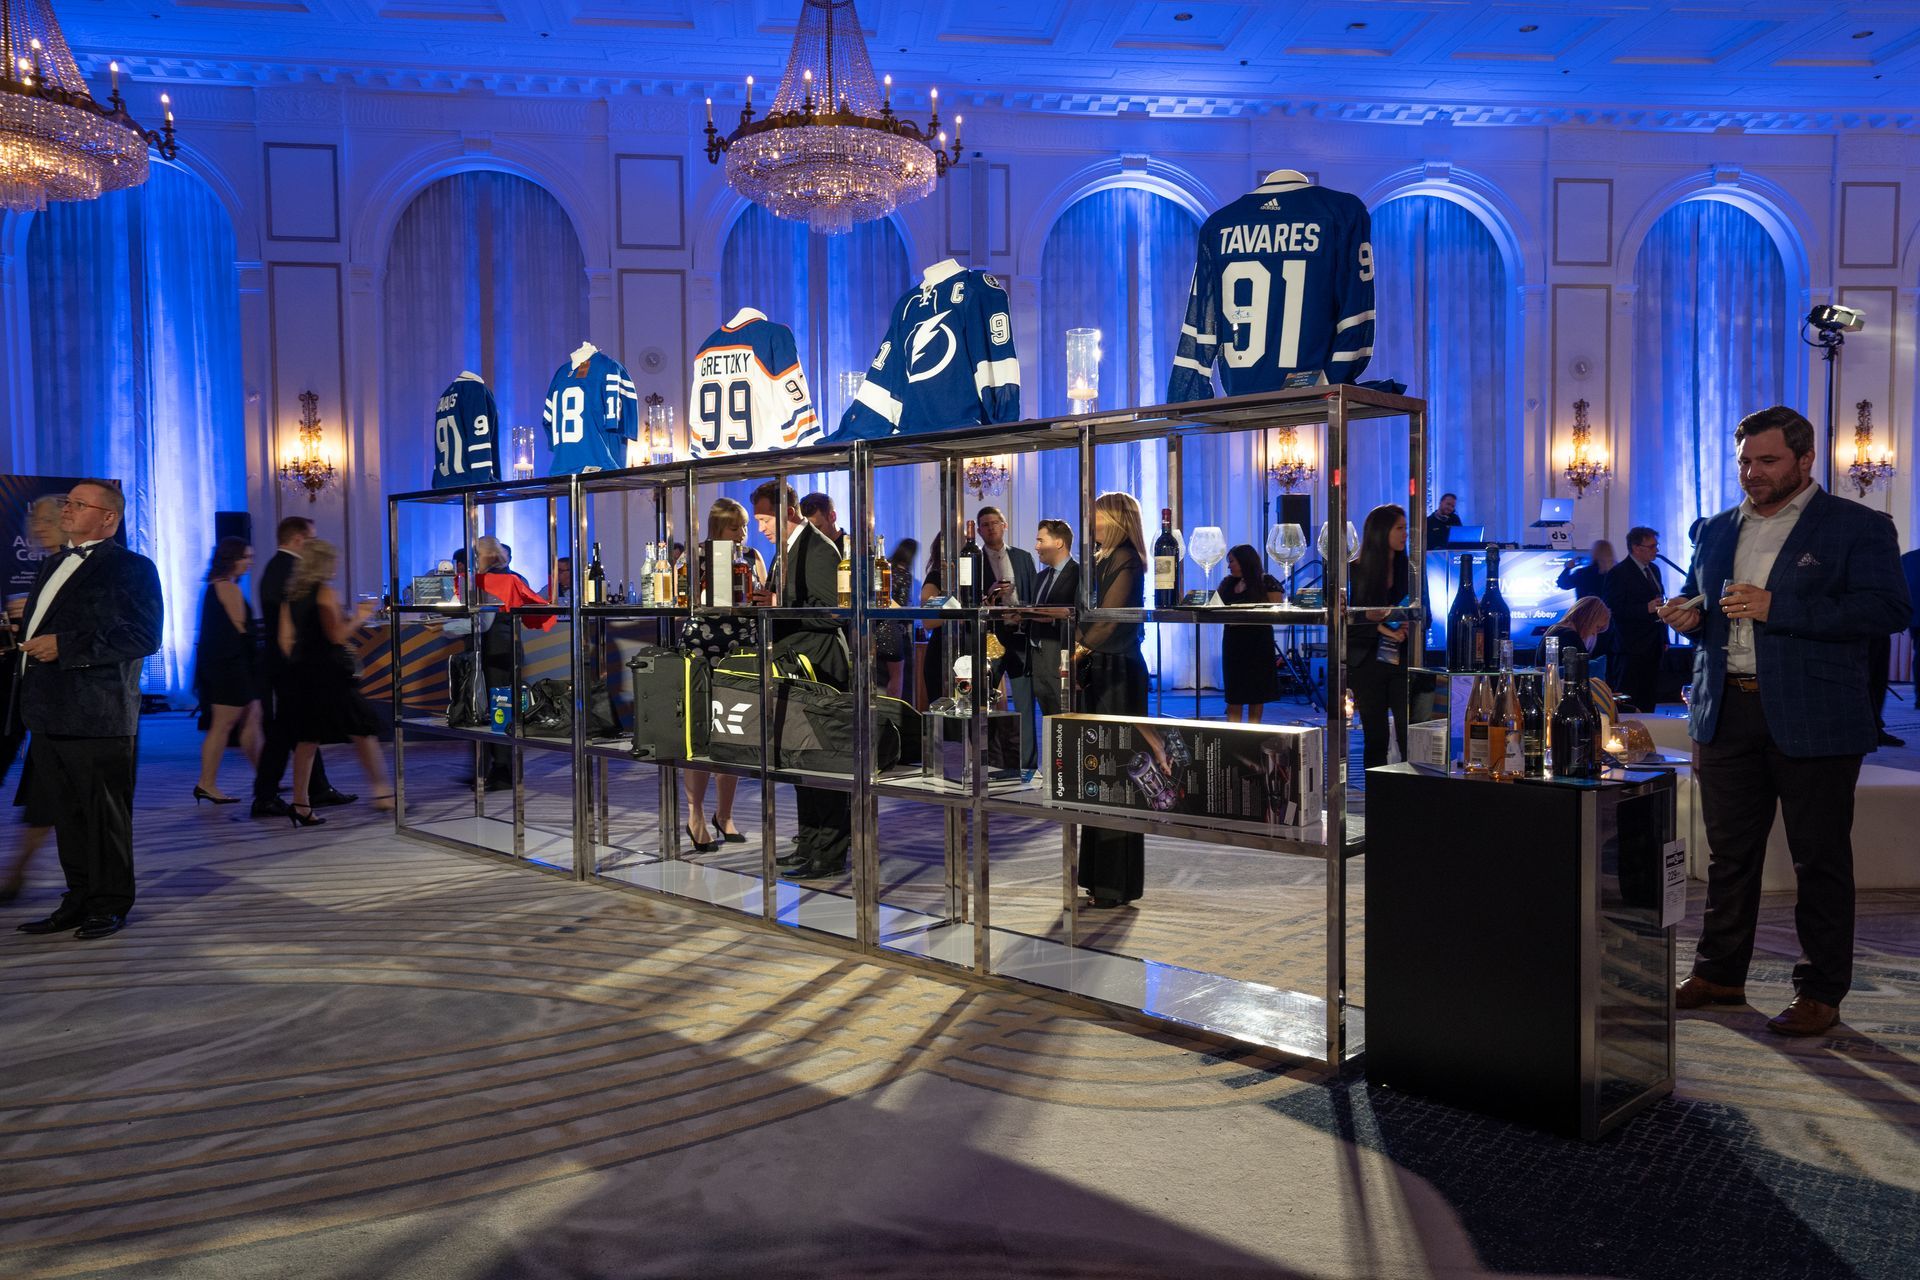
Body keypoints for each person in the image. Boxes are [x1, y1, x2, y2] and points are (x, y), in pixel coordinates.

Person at [1660, 405, 1911, 1037]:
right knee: (1729, 857)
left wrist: (1780, 605)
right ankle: (1719, 974)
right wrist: (1689, 616)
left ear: (1805, 459)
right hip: (1728, 710)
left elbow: (1887, 610)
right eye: (1744, 461)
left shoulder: (1858, 526)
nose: (1752, 473)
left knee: (1818, 858)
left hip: (1817, 714)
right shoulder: (1714, 529)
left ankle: (1821, 991)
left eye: (1766, 461)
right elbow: (1703, 601)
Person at [13, 481, 163, 941]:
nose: (67, 510)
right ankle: (77, 898)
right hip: (48, 710)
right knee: (68, 817)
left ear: (108, 518)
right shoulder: (55, 562)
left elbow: (144, 636)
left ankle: (110, 903)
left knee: (104, 817)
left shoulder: (133, 568)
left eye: (78, 504)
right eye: (67, 503)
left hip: (97, 713)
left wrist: (64, 645)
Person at [753, 480, 853, 880]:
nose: (761, 527)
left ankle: (828, 854)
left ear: (788, 511)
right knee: (800, 761)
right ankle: (809, 844)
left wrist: (780, 605)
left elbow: (833, 612)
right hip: (797, 664)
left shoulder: (818, 548)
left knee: (823, 763)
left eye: (764, 518)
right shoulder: (786, 550)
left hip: (822, 665)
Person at [277, 539, 393, 826]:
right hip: (330, 675)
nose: (336, 566)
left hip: (302, 673)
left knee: (307, 740)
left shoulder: (290, 595)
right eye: (333, 561)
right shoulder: (325, 593)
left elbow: (285, 639)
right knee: (362, 730)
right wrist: (361, 617)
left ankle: (301, 804)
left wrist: (302, 662)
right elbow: (337, 636)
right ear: (324, 564)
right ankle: (382, 793)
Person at [1075, 493, 1149, 909]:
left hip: (1120, 674)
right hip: (1101, 671)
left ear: (1116, 519)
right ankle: (1096, 876)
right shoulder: (1102, 557)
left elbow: (1110, 618)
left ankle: (1116, 882)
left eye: (1098, 516)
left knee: (1118, 773)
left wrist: (1079, 649)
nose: (1092, 522)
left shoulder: (1128, 559)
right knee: (1095, 773)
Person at [252, 517, 350, 818]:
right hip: (294, 667)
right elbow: (296, 625)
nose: (313, 545)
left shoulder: (274, 568)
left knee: (303, 732)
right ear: (298, 540)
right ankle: (268, 796)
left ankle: (314, 791)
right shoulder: (289, 570)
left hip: (288, 665)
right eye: (311, 539)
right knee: (289, 734)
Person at [681, 498, 764, 851]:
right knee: (699, 731)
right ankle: (695, 814)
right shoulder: (693, 557)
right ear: (717, 528)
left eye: (744, 526)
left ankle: (725, 814)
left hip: (740, 645)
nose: (742, 533)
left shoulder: (751, 557)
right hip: (701, 646)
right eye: (735, 527)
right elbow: (680, 601)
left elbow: (761, 597)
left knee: (734, 729)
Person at [0, 496, 68, 903]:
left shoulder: (84, 566)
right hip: (20, 690)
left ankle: (18, 871)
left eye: (47, 519)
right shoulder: (47, 566)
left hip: (59, 696)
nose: (38, 527)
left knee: (47, 787)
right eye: (34, 520)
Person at [466, 535, 559, 790]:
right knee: (496, 709)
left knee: (497, 709)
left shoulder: (493, 582)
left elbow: (483, 622)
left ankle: (501, 770)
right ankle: (492, 768)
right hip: (503, 651)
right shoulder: (510, 579)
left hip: (495, 653)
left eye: (476, 555)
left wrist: (447, 625)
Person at [193, 536, 263, 804]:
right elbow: (242, 630)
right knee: (224, 725)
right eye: (246, 557)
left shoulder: (216, 586)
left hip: (223, 665)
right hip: (230, 667)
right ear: (232, 559)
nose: (249, 562)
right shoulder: (228, 588)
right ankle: (206, 783)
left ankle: (265, 777)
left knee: (249, 720)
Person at [1346, 506, 1410, 769]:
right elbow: (1349, 620)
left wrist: (1405, 627)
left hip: (1402, 660)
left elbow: (1422, 611)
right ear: (1381, 531)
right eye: (1400, 528)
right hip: (1368, 661)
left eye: (1406, 528)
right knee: (1376, 736)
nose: (1406, 534)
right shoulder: (1355, 571)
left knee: (1409, 733)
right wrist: (1384, 628)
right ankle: (1376, 797)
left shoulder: (1410, 569)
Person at [976, 505, 1039, 770]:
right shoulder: (972, 560)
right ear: (978, 531)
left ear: (1005, 525)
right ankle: (988, 763)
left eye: (994, 523)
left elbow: (1035, 596)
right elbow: (967, 601)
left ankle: (1027, 765)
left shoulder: (1023, 558)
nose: (990, 528)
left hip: (1020, 635)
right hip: (990, 637)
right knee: (982, 703)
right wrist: (988, 594)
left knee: (1025, 702)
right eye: (985, 525)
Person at [1604, 526, 1667, 712]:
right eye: (1652, 546)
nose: (1656, 550)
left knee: (1650, 694)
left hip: (1653, 643)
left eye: (1656, 545)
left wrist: (1664, 638)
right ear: (1636, 548)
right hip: (1630, 646)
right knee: (1631, 696)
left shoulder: (1654, 569)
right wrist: (1644, 608)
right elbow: (1612, 608)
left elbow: (1658, 603)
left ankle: (1649, 733)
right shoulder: (1618, 573)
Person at [1220, 543, 1282, 723]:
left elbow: (1277, 611)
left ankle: (1252, 736)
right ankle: (1235, 739)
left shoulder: (1267, 582)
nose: (1229, 565)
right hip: (1233, 644)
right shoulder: (1227, 584)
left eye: (1232, 561)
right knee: (1234, 696)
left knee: (1256, 694)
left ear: (1245, 561)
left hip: (1258, 643)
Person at [1027, 519, 1081, 723]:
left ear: (1058, 543)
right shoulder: (1040, 577)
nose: (1036, 546)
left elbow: (1079, 615)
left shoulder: (1079, 574)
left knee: (1067, 721)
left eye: (1041, 540)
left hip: (1061, 657)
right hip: (1038, 659)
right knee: (1049, 722)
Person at [1556, 539, 1616, 679]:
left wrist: (1567, 568)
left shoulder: (1584, 573)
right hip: (1610, 622)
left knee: (1587, 656)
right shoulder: (1616, 574)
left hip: (1586, 621)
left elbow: (1563, 583)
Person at [874, 538, 918, 699]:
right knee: (897, 683)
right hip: (894, 632)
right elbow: (903, 605)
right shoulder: (904, 574)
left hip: (876, 630)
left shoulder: (884, 570)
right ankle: (895, 717)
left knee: (878, 680)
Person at [918, 531, 948, 708]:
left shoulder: (968, 579)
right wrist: (960, 613)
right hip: (941, 654)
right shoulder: (936, 578)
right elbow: (928, 621)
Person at [1540, 596, 1612, 655]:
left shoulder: (1556, 630)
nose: (1594, 633)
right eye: (1597, 627)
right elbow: (1576, 670)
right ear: (1588, 620)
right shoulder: (1569, 636)